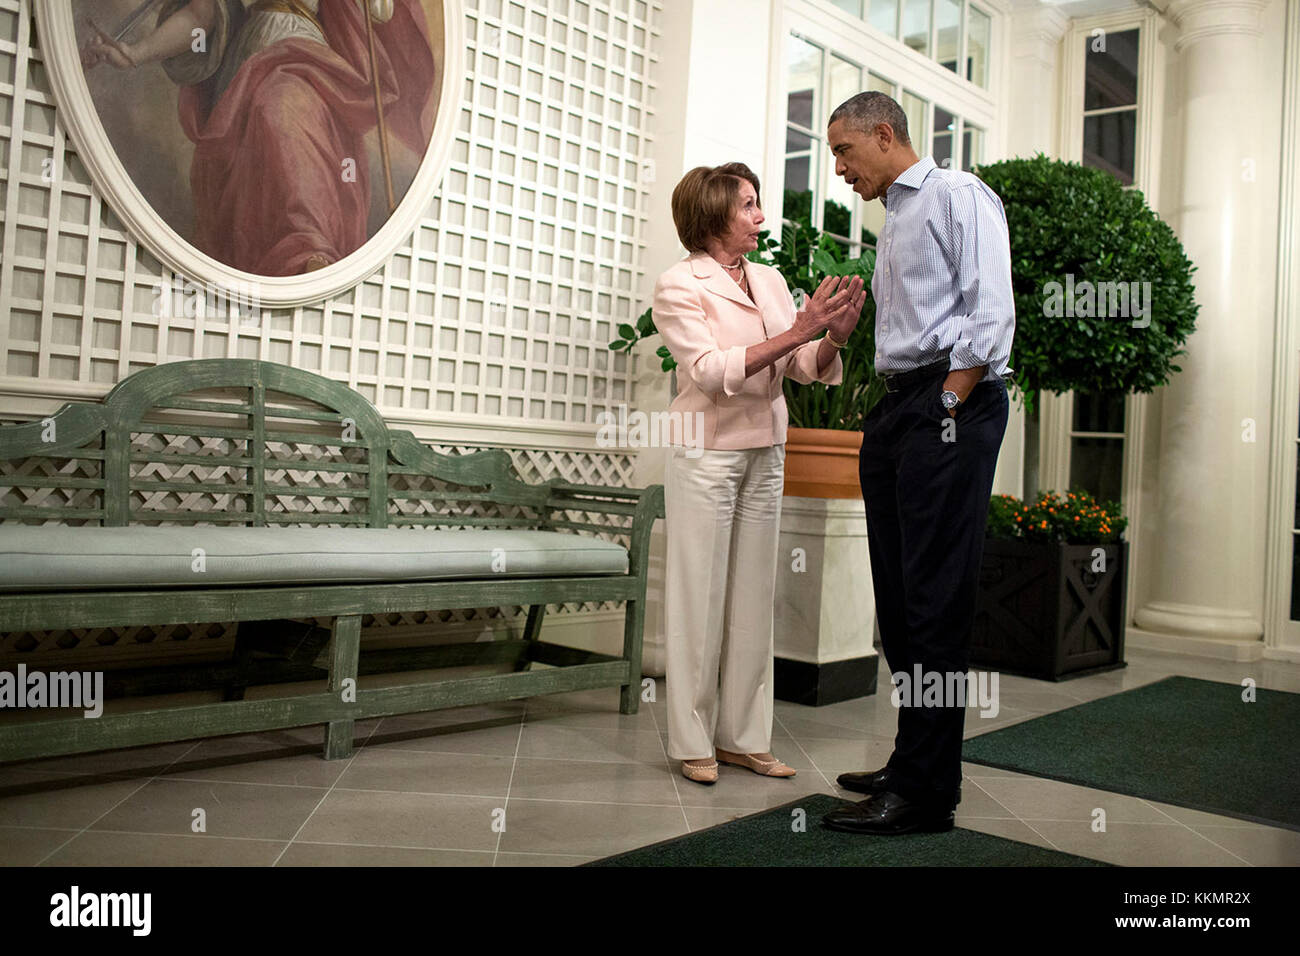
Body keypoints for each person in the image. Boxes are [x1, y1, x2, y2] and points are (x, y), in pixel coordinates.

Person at [818, 92, 1014, 834]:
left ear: (883, 134)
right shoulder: (896, 215)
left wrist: (950, 401)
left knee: (934, 603)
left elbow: (990, 309)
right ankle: (917, 760)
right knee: (901, 603)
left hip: (948, 402)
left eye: (844, 151)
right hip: (902, 404)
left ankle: (926, 795)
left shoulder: (956, 195)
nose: (838, 167)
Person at [654, 162, 865, 784]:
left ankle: (744, 737)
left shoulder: (769, 280)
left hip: (767, 449)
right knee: (700, 597)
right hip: (706, 454)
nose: (760, 218)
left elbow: (802, 365)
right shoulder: (678, 285)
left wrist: (832, 339)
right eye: (749, 206)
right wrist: (802, 328)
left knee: (752, 597)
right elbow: (713, 371)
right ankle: (692, 740)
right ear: (716, 213)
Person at [79, 0, 437, 275]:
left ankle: (309, 248)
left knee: (281, 109)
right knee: (254, 165)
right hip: (248, 61)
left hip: (307, 59)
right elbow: (200, 17)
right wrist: (135, 53)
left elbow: (380, 10)